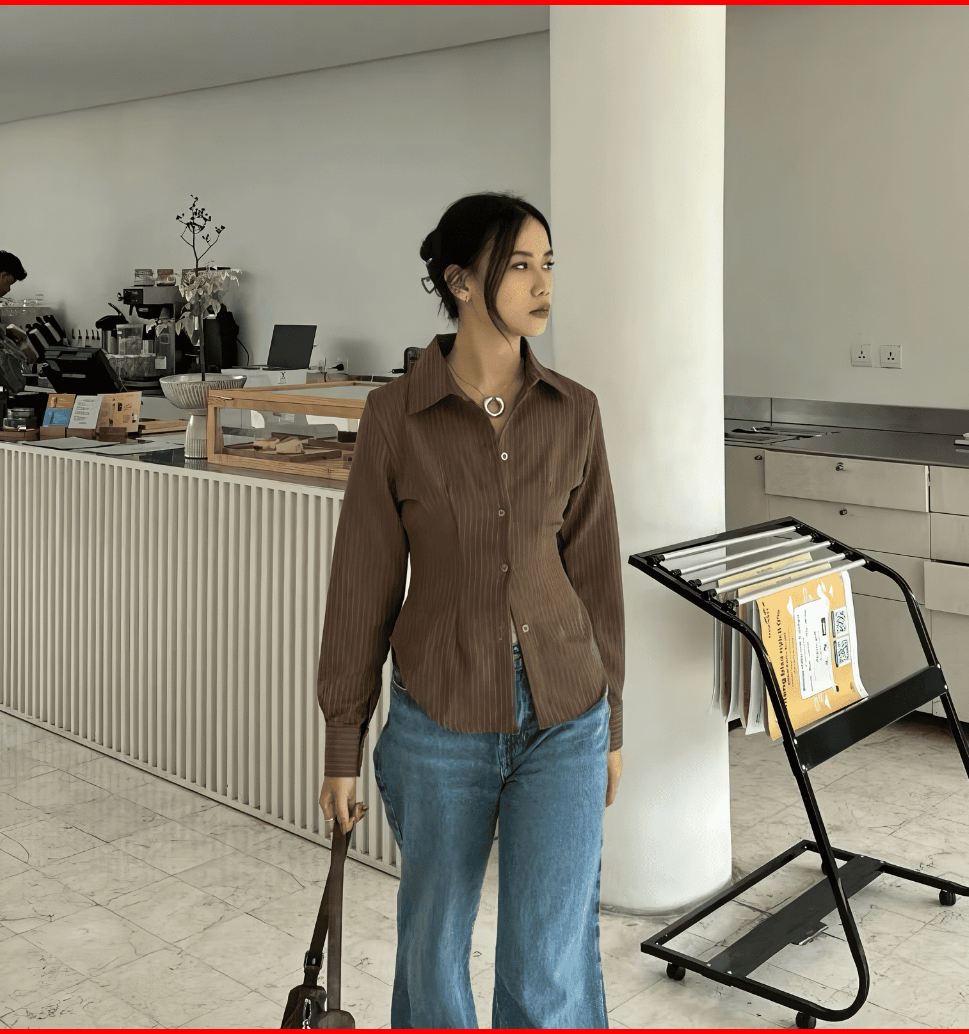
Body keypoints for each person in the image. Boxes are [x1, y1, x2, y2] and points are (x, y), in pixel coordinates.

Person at [316, 192, 625, 1028]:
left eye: (547, 263)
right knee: (433, 947)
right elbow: (363, 584)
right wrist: (343, 741)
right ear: (459, 281)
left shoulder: (575, 411)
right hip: (439, 715)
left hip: (567, 715)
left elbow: (595, 576)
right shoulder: (394, 417)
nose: (543, 284)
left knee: (550, 961)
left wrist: (614, 722)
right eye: (519, 265)